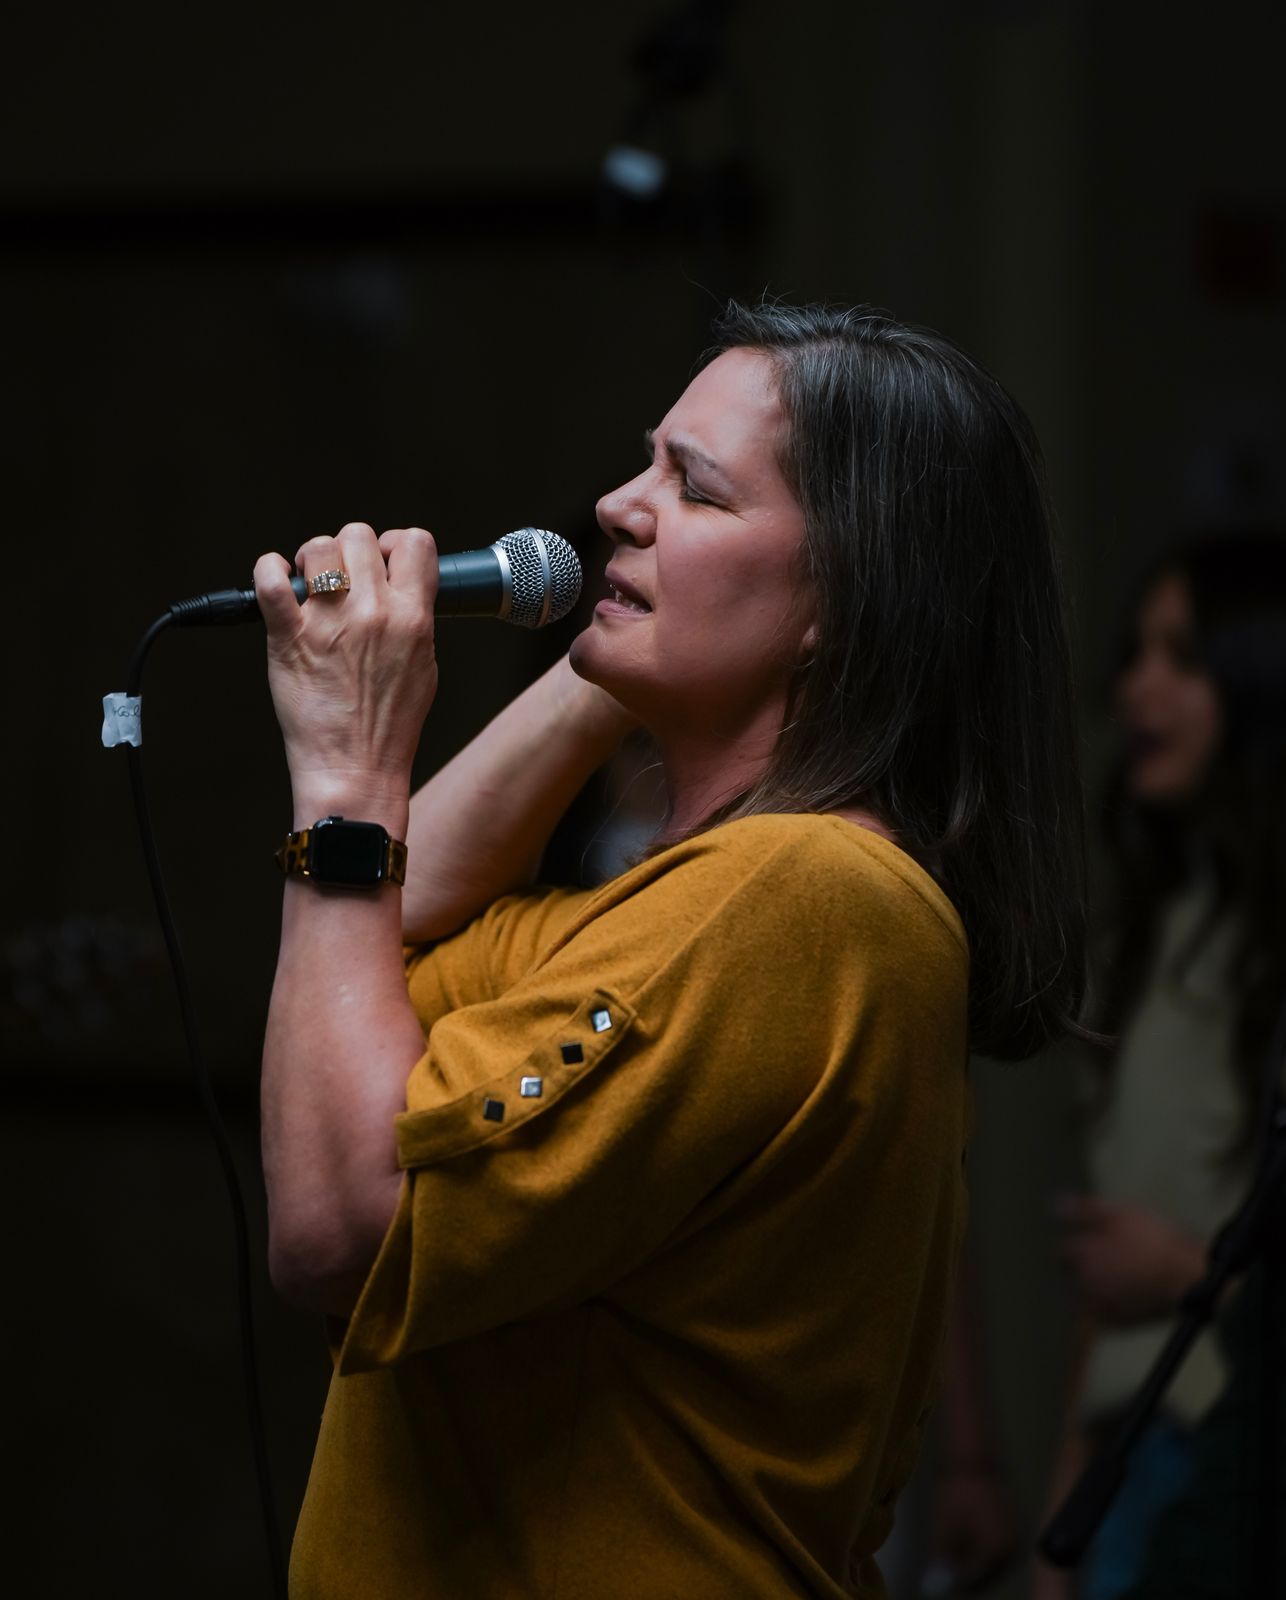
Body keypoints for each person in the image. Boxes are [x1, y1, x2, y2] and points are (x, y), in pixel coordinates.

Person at [253, 301, 1090, 1599]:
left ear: (845, 598)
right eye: (643, 463)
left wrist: (348, 774)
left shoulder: (803, 898)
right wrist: (608, 655)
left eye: (692, 488)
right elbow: (373, 939)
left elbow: (341, 1222)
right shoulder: (675, 904)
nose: (613, 505)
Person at [1035, 533, 1286, 1600]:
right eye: (1135, 654)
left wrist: (1184, 1273)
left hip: (1237, 1458)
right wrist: (1063, 1500)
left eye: (1180, 658)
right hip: (1126, 1456)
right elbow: (1110, 1267)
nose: (1136, 687)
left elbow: (1161, 1259)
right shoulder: (1149, 931)